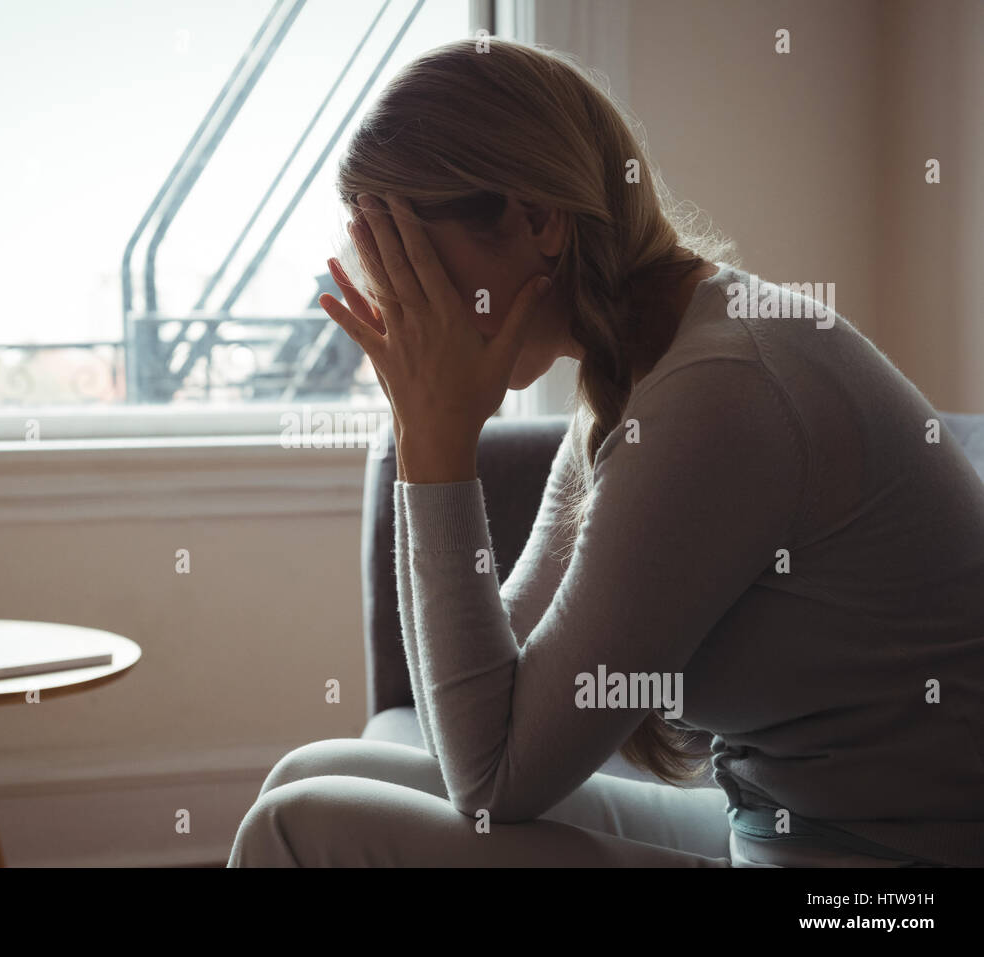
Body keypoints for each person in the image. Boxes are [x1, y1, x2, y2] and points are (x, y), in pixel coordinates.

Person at [228, 38, 984, 867]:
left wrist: (436, 446)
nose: (399, 306)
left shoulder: (720, 391)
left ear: (539, 222)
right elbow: (479, 713)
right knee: (312, 772)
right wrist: (424, 427)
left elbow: (494, 778)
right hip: (773, 828)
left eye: (410, 257)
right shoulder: (635, 367)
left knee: (294, 826)